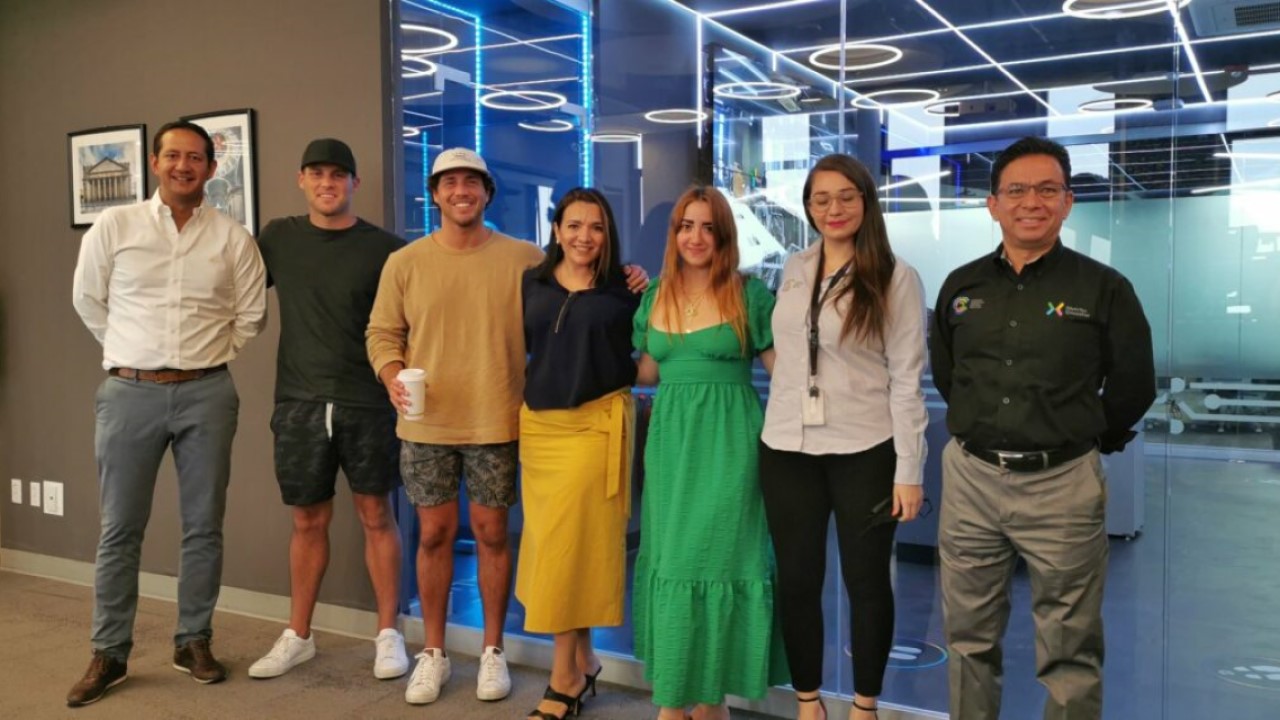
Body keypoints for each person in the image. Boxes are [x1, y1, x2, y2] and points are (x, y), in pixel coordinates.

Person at [365, 148, 646, 706]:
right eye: (449, 182)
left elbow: (580, 292)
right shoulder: (405, 261)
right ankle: (434, 652)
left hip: (499, 419)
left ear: (487, 193)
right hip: (427, 423)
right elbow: (382, 332)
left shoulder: (524, 261)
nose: (461, 191)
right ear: (435, 193)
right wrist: (392, 373)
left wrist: (629, 274)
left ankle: (493, 649)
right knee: (435, 535)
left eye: (472, 182)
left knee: (494, 534)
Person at [930, 136, 1156, 719]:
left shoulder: (1103, 288)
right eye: (1016, 190)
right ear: (993, 204)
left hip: (1063, 485)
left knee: (1069, 645)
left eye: (1047, 189)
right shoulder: (961, 286)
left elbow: (1134, 384)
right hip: (972, 480)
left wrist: (1084, 440)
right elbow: (950, 375)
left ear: (1067, 202)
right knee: (967, 638)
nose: (1031, 201)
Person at [68, 120, 268, 706]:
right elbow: (88, 299)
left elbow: (250, 315)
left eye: (196, 157)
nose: (184, 166)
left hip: (208, 393)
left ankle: (193, 641)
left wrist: (204, 358)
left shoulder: (233, 237)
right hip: (128, 393)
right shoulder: (116, 225)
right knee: (119, 528)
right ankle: (109, 652)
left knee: (203, 525)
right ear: (155, 163)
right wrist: (131, 354)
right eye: (173, 155)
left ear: (211, 168)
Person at [758, 154, 928, 720]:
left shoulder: (895, 277)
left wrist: (909, 469)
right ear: (808, 206)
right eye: (821, 198)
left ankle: (864, 706)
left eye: (846, 196)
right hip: (787, 448)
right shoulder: (795, 266)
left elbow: (907, 379)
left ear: (865, 201)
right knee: (797, 581)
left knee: (866, 582)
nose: (833, 208)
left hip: (865, 448)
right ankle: (808, 702)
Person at [246, 139, 409, 682]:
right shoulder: (278, 238)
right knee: (307, 520)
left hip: (368, 403)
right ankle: (299, 635)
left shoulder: (387, 249)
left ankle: (388, 635)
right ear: (301, 179)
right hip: (300, 403)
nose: (327, 183)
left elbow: (417, 314)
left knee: (376, 516)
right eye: (316, 173)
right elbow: (229, 284)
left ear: (354, 183)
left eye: (338, 174)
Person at [632, 185, 788, 720]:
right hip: (670, 447)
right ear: (674, 234)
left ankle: (705, 703)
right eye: (686, 226)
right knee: (673, 559)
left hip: (731, 446)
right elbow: (647, 372)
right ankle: (684, 701)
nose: (695, 237)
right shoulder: (654, 296)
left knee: (721, 558)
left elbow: (783, 372)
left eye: (707, 227)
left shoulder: (750, 295)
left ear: (724, 236)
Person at [516, 187, 640, 720]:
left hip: (594, 428)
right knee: (568, 548)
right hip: (539, 430)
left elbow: (648, 355)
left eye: (596, 227)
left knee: (564, 552)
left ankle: (563, 676)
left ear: (607, 235)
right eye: (574, 225)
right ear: (557, 230)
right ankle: (585, 659)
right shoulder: (532, 282)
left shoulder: (625, 290)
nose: (584, 236)